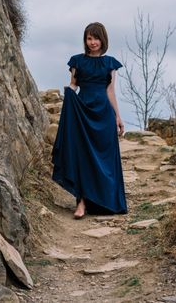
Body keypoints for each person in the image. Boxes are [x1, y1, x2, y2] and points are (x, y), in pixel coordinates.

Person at [51, 22, 127, 218]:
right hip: (83, 111)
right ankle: (81, 203)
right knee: (82, 157)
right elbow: (74, 85)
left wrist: (118, 116)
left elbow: (110, 91)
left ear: (103, 40)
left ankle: (105, 201)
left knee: (105, 159)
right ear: (85, 40)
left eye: (96, 38)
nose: (92, 42)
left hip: (104, 114)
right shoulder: (77, 61)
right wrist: (69, 95)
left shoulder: (110, 63)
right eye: (89, 38)